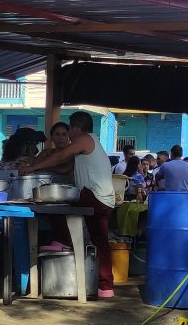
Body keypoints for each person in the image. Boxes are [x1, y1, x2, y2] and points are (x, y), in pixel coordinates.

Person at [20, 111, 117, 299]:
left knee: (56, 204)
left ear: (74, 128)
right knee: (100, 242)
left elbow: (62, 157)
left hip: (93, 195)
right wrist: (41, 167)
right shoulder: (92, 144)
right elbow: (65, 167)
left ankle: (63, 241)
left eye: (68, 131)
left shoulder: (84, 139)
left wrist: (32, 168)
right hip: (105, 199)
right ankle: (105, 288)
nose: (68, 136)